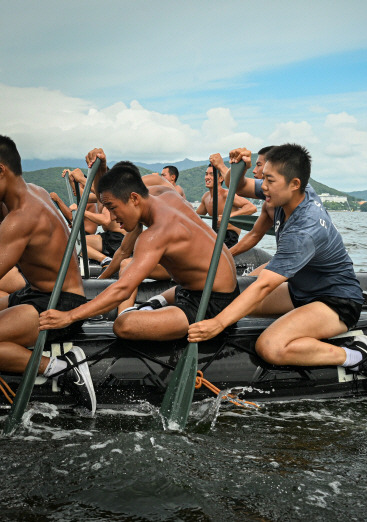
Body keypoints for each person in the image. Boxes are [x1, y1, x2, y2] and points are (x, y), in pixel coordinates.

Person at [188, 144, 367, 382]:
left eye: (270, 180)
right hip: (300, 291)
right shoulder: (292, 191)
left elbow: (264, 286)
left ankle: (357, 356)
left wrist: (218, 324)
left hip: (336, 302)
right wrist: (241, 169)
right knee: (231, 298)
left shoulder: (305, 229)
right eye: (263, 178)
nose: (263, 186)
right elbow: (242, 186)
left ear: (294, 183)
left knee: (269, 346)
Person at [39, 149, 238, 343]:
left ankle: (147, 309)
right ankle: (155, 304)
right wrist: (103, 171)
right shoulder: (162, 192)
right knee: (169, 288)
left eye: (113, 209)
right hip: (201, 288)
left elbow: (123, 290)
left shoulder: (156, 234)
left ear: (134, 198)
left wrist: (69, 316)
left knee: (124, 325)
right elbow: (113, 192)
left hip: (211, 304)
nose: (113, 218)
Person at [0, 135, 95, 413]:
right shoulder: (34, 191)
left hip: (59, 304)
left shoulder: (22, 219)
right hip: (39, 293)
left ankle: (64, 369)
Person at [196, 164, 256, 248]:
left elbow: (252, 208)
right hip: (215, 233)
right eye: (206, 174)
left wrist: (227, 217)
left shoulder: (227, 194)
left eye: (211, 174)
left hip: (229, 235)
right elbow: (195, 216)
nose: (207, 177)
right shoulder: (206, 197)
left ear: (221, 179)